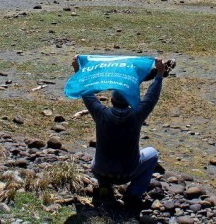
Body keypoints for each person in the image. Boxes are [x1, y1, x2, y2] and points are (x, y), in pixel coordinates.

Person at [71, 55, 166, 208]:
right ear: (130, 100)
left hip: (101, 170)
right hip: (128, 172)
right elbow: (151, 97)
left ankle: (105, 186)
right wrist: (159, 75)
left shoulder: (100, 113)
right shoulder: (137, 114)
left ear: (112, 100)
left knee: (96, 155)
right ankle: (134, 193)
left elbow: (87, 93)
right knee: (152, 153)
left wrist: (78, 71)